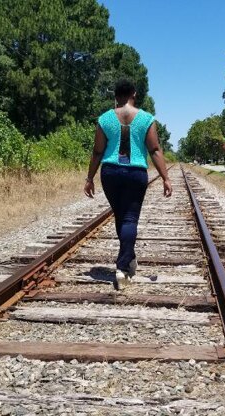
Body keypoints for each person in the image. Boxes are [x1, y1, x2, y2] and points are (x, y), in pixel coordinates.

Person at [84, 79, 172, 289]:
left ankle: (128, 259)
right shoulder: (146, 118)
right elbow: (154, 150)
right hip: (135, 173)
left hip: (110, 172)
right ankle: (123, 267)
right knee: (129, 219)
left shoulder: (105, 119)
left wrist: (89, 178)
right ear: (134, 93)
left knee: (121, 217)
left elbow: (97, 151)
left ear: (116, 95)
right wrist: (165, 178)